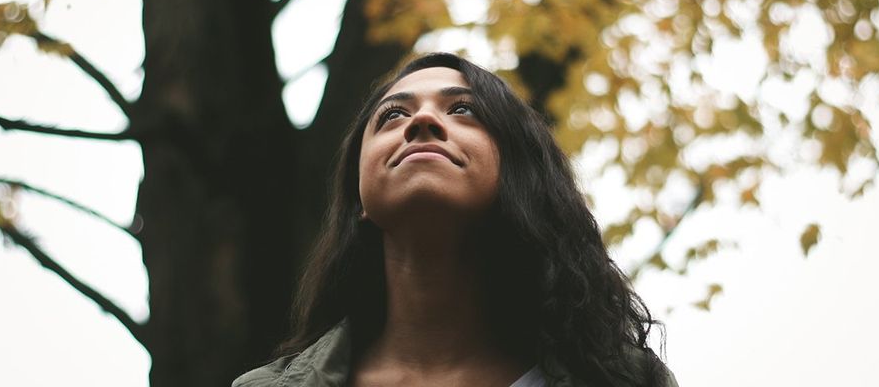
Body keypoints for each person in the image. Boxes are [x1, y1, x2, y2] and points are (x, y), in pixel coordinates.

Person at [233, 53, 678, 387]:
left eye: (463, 109)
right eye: (393, 115)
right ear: (358, 199)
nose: (422, 119)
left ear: (515, 174)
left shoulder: (624, 380)